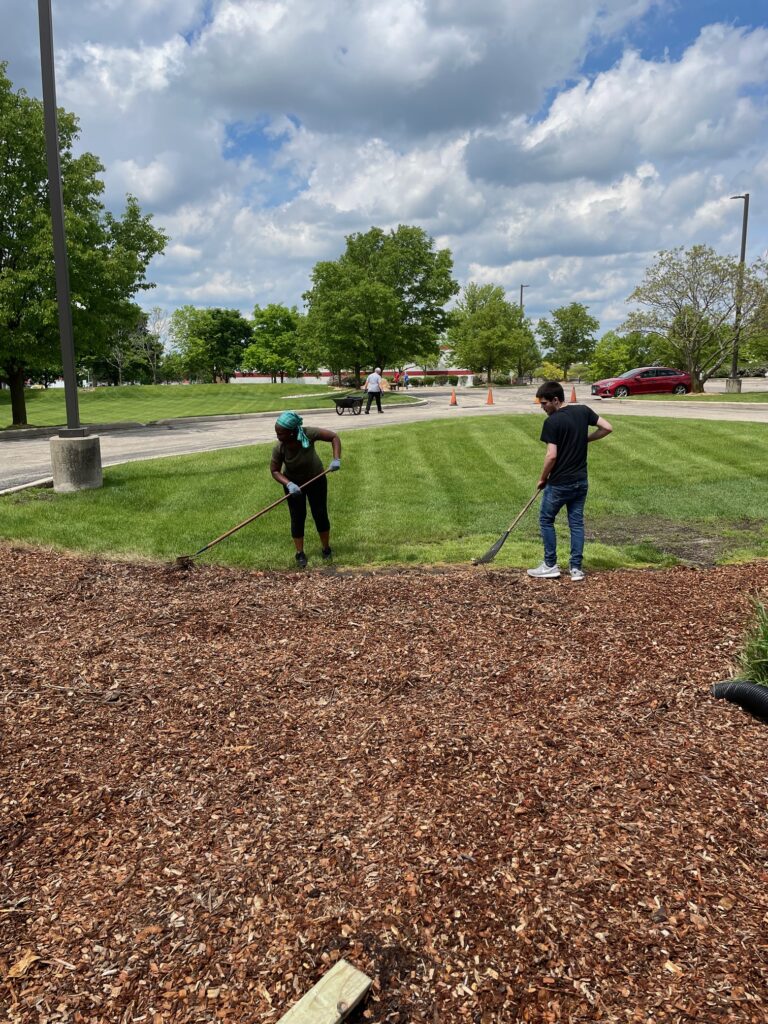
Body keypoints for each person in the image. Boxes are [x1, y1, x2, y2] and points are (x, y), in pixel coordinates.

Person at [527, 381, 612, 581]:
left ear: (556, 400)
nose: (543, 407)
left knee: (546, 520)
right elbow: (607, 428)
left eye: (545, 403)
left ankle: (550, 565)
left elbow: (551, 456)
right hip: (581, 481)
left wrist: (542, 478)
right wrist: (586, 439)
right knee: (576, 524)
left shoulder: (552, 422)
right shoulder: (583, 411)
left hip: (559, 483)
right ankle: (576, 569)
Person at [270, 411, 341, 568]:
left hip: (316, 479)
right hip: (294, 484)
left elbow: (333, 437)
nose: (277, 436)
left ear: (292, 431)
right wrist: (288, 484)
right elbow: (275, 470)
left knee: (320, 513)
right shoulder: (280, 448)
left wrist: (336, 459)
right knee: (297, 516)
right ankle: (300, 553)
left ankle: (326, 548)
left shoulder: (308, 433)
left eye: (280, 433)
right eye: (277, 433)